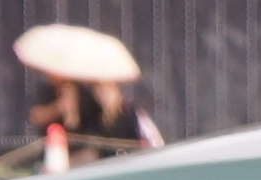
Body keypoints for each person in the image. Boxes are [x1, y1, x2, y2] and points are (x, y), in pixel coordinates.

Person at [15, 24, 162, 148]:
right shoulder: (46, 90)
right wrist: (60, 107)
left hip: (86, 151)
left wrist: (110, 107)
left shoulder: (87, 92)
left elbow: (98, 126)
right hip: (54, 147)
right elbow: (36, 116)